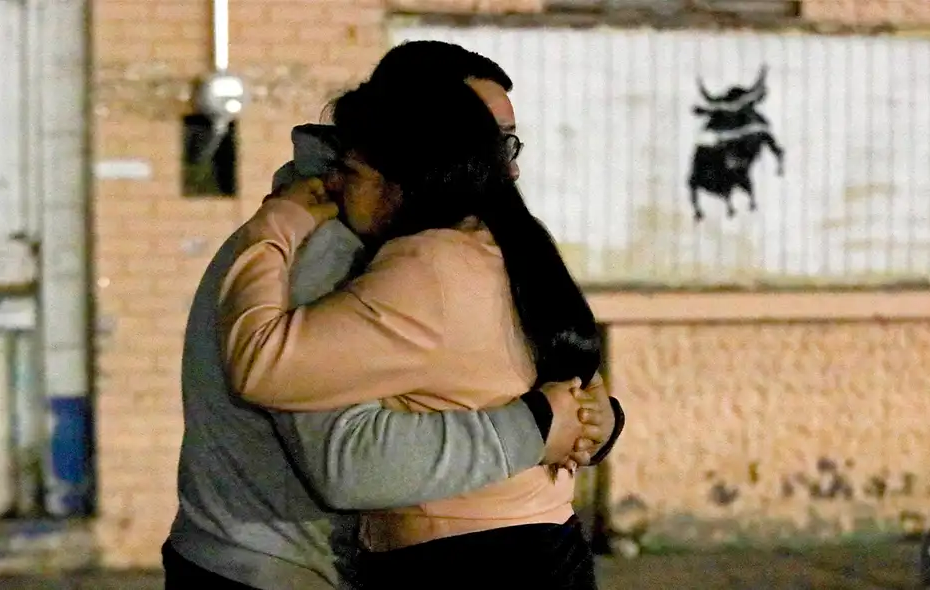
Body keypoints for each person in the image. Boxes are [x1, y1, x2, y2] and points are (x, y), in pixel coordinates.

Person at [164, 41, 622, 590]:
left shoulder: (465, 246)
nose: (509, 167)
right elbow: (348, 462)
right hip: (272, 569)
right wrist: (539, 426)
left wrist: (589, 416)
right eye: (484, 140)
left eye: (507, 141)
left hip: (482, 552)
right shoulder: (333, 250)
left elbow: (526, 372)